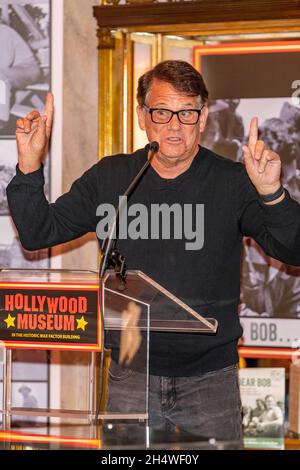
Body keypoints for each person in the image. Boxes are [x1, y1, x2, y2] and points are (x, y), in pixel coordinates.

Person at [6, 60, 300, 443]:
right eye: (162, 112)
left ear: (204, 117)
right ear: (143, 117)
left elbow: (292, 250)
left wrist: (271, 194)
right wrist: (29, 167)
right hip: (131, 375)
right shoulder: (112, 178)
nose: (175, 126)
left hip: (210, 380)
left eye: (187, 112)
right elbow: (37, 231)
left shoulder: (233, 182)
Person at [0, 22, 40, 130]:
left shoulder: (3, 31)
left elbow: (3, 64)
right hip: (11, 70)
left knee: (1, 77)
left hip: (27, 69)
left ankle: (1, 120)